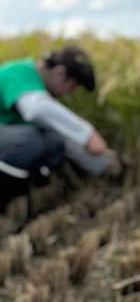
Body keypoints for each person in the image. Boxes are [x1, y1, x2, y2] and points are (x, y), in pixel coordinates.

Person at [0, 45, 121, 212]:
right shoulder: (19, 72)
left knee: (53, 141)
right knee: (29, 140)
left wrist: (104, 164)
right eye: (72, 86)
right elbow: (36, 109)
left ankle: (26, 201)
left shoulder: (37, 88)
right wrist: (88, 134)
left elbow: (63, 138)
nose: (69, 93)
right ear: (59, 73)